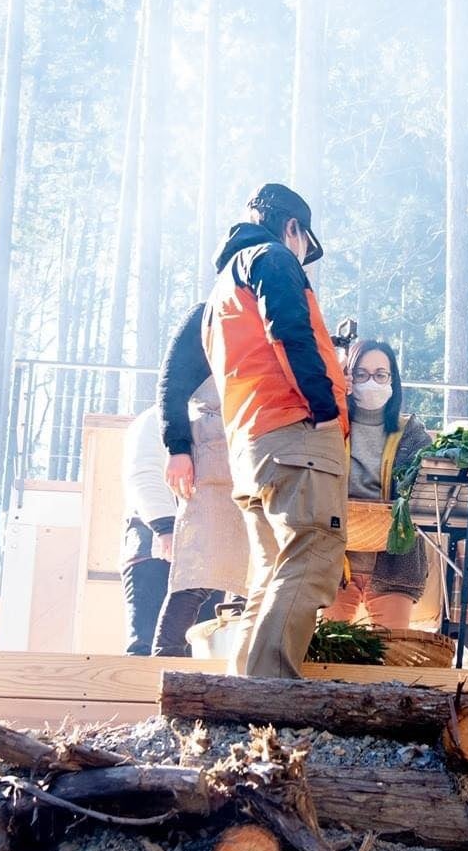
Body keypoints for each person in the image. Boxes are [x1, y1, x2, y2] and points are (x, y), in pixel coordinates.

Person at [203, 183, 350, 677]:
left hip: (253, 444)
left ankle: (244, 691)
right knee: (312, 553)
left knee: (271, 571)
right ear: (293, 228)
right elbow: (288, 331)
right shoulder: (271, 256)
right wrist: (324, 405)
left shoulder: (222, 286)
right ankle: (274, 691)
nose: (304, 255)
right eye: (306, 243)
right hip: (296, 433)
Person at [153, 302, 250, 655]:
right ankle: (165, 657)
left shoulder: (284, 307)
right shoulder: (209, 312)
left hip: (267, 451)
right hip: (213, 449)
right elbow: (172, 382)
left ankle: (242, 666)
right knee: (198, 565)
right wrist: (177, 447)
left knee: (256, 573)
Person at [328, 339, 433, 629]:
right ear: (348, 376)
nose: (371, 382)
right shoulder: (330, 426)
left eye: (380, 374)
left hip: (394, 563)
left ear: (392, 380)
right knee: (326, 652)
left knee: (391, 654)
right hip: (336, 562)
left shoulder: (411, 432)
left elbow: (420, 489)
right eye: (361, 374)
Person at [120, 404, 175, 655]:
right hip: (153, 548)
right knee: (147, 644)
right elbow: (144, 475)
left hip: (201, 552)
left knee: (193, 648)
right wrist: (166, 528)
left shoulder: (208, 416)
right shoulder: (155, 419)